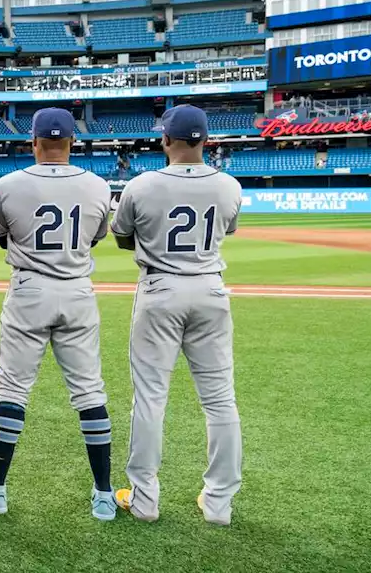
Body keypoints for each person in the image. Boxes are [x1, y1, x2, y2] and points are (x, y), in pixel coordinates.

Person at [112, 105, 243, 525]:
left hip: (160, 288)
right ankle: (219, 504)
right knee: (221, 400)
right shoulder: (229, 185)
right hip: (210, 288)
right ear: (205, 140)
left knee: (150, 397)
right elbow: (227, 229)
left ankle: (146, 500)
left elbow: (121, 237)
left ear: (165, 139)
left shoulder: (142, 183)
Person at [0, 108, 117, 521]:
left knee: (13, 391)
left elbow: (3, 238)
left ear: (34, 142)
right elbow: (96, 238)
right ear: (72, 142)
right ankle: (104, 494)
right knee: (90, 392)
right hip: (77, 289)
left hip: (28, 290)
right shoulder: (98, 185)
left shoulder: (7, 184)